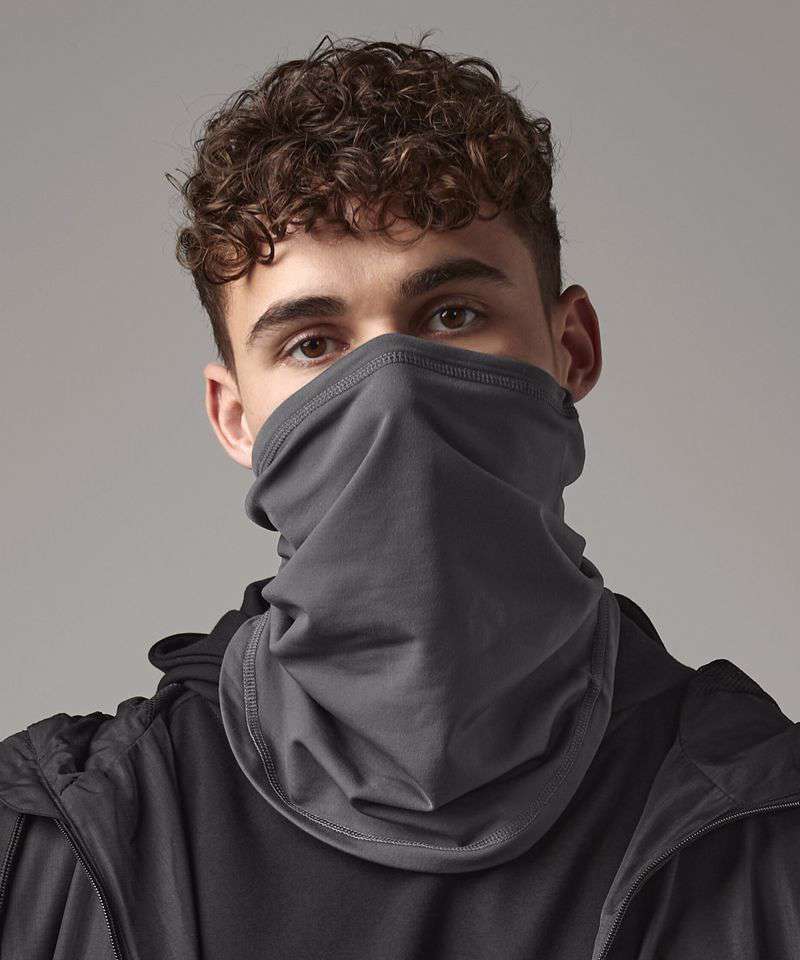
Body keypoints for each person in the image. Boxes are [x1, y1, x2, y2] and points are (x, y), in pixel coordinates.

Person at [1, 32, 798, 960]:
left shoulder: (769, 826)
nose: (392, 393)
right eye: (313, 345)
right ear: (236, 417)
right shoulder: (43, 850)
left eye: (451, 316)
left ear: (572, 348)